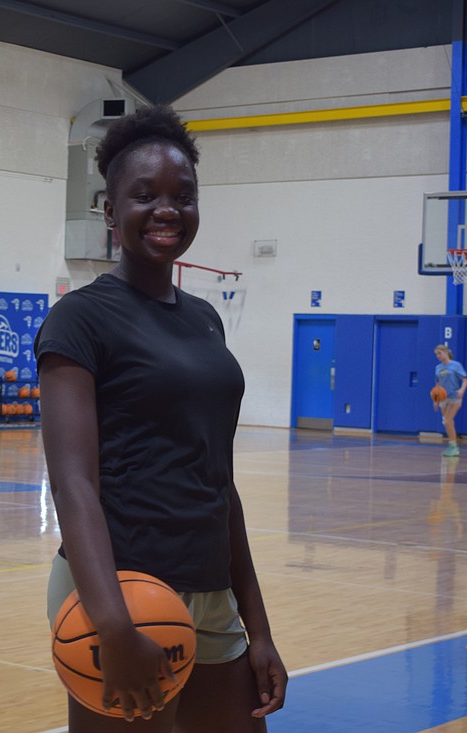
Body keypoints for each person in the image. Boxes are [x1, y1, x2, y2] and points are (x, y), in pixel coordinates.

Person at [36, 105, 287, 732]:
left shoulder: (205, 318)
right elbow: (73, 484)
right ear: (110, 210)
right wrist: (114, 622)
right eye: (144, 195)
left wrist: (257, 628)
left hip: (208, 591)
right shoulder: (79, 320)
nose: (167, 209)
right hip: (121, 590)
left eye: (183, 195)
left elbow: (220, 486)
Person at [433, 344, 467, 457]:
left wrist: (462, 390)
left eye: (439, 353)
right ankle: (453, 445)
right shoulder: (438, 367)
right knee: (448, 423)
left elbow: (465, 380)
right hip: (443, 397)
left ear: (446, 352)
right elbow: (437, 384)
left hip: (454, 397)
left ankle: (453, 446)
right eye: (436, 354)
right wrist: (436, 400)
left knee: (447, 421)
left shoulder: (456, 365)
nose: (438, 356)